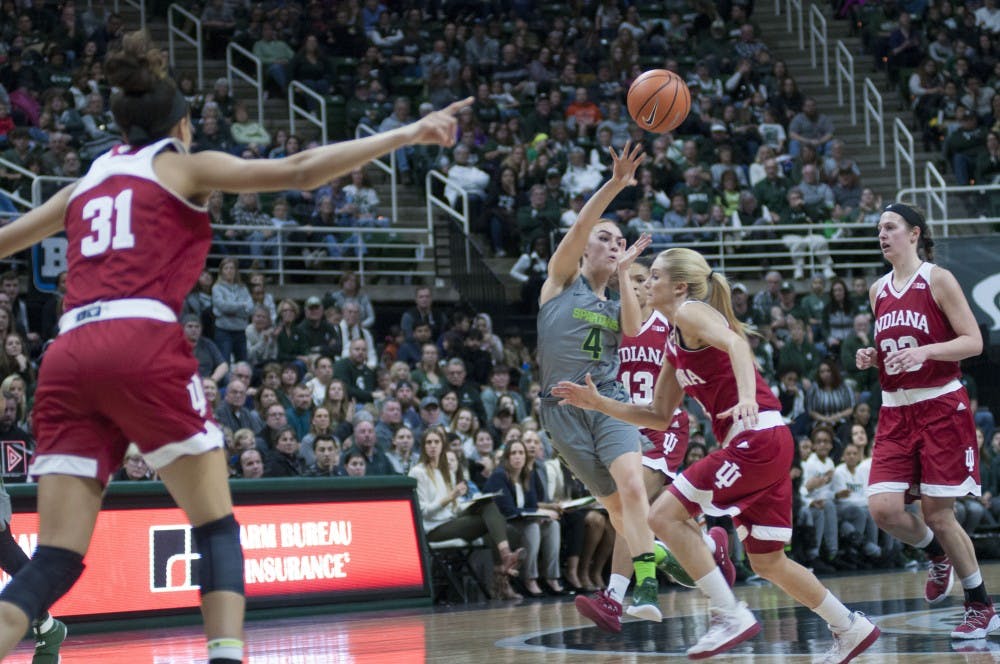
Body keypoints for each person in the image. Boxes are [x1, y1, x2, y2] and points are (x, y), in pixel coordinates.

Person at [0, 31, 470, 664]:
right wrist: (408, 133)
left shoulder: (83, 185)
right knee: (215, 524)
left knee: (56, 555)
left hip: (67, 351)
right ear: (181, 123)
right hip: (139, 339)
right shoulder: (180, 164)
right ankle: (225, 655)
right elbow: (300, 172)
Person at [553, 247, 879, 661]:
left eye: (653, 277)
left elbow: (737, 345)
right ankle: (848, 626)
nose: (646, 284)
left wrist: (746, 398)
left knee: (662, 515)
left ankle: (728, 614)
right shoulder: (675, 339)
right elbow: (656, 415)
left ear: (679, 286)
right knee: (768, 562)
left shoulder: (691, 312)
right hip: (764, 444)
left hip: (756, 437)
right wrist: (598, 403)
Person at [534, 142, 664, 622]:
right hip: (560, 410)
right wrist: (616, 184)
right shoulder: (561, 281)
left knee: (632, 486)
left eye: (619, 241)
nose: (613, 245)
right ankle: (665, 557)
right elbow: (583, 225)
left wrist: (627, 273)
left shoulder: (617, 302)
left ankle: (645, 587)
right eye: (605, 239)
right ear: (586, 245)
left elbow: (632, 330)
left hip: (608, 401)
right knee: (614, 509)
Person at [856, 202, 997, 638]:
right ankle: (937, 555)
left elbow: (974, 342)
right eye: (880, 228)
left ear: (914, 234)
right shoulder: (878, 289)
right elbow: (898, 343)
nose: (883, 234)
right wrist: (873, 355)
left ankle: (980, 604)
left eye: (891, 227)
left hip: (940, 406)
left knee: (938, 512)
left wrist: (926, 351)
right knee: (883, 510)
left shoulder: (938, 279)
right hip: (896, 409)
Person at [576, 258, 735, 634]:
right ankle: (711, 550)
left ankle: (615, 597)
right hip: (624, 428)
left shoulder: (672, 322)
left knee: (634, 503)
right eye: (626, 279)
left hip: (663, 430)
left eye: (640, 278)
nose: (633, 285)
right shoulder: (612, 327)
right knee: (644, 516)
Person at [408, 427, 524, 600]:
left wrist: (467, 504)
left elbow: (453, 509)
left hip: (451, 520)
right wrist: (451, 496)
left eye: (436, 442)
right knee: (498, 526)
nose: (432, 446)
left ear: (443, 445)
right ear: (423, 446)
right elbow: (423, 512)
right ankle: (502, 572)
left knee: (492, 509)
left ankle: (503, 565)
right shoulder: (418, 472)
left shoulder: (445, 471)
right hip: (434, 529)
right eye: (428, 442)